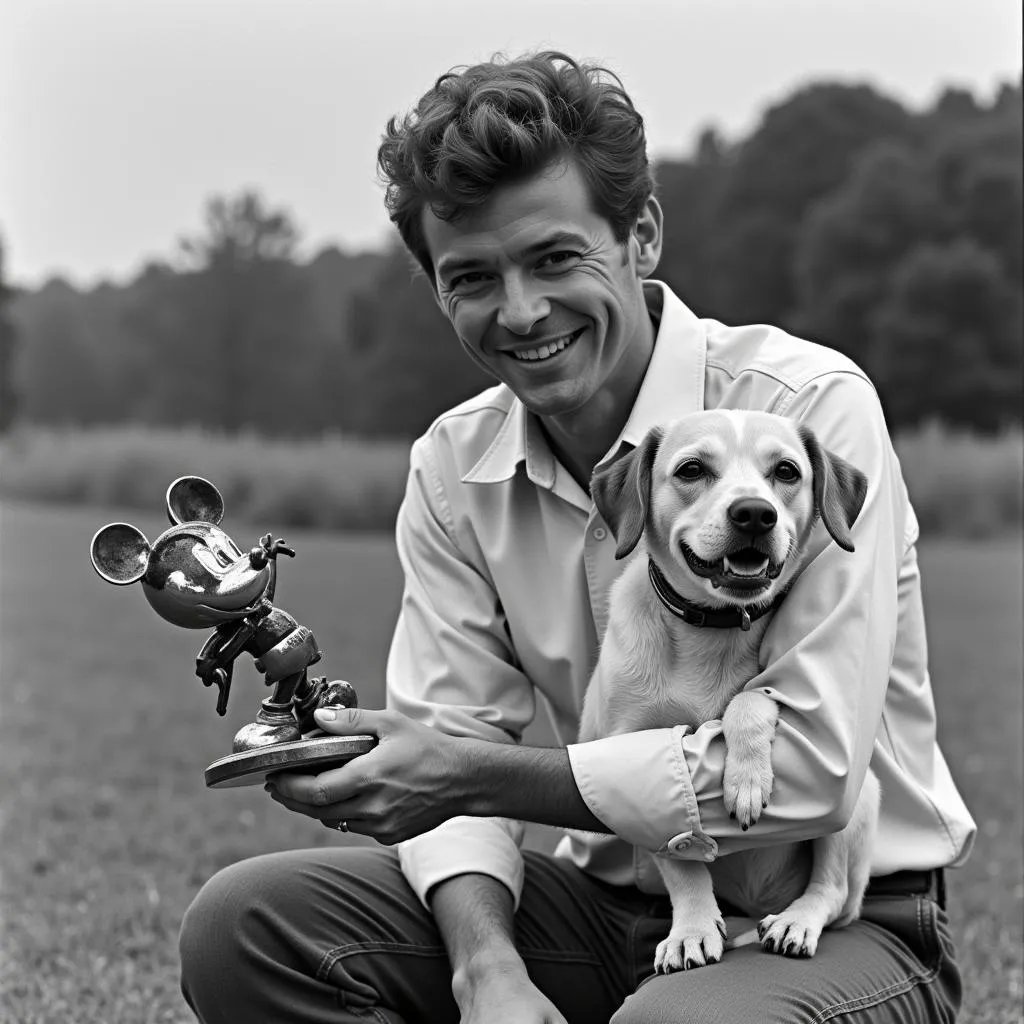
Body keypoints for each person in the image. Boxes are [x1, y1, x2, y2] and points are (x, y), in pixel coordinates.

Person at [178, 51, 975, 1024]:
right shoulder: (452, 467)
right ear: (437, 290)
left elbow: (805, 773)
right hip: (608, 905)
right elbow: (455, 741)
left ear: (640, 235)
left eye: (555, 258)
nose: (520, 312)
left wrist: (468, 772)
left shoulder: (802, 414)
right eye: (472, 276)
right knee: (249, 925)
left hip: (839, 918)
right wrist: (486, 969)